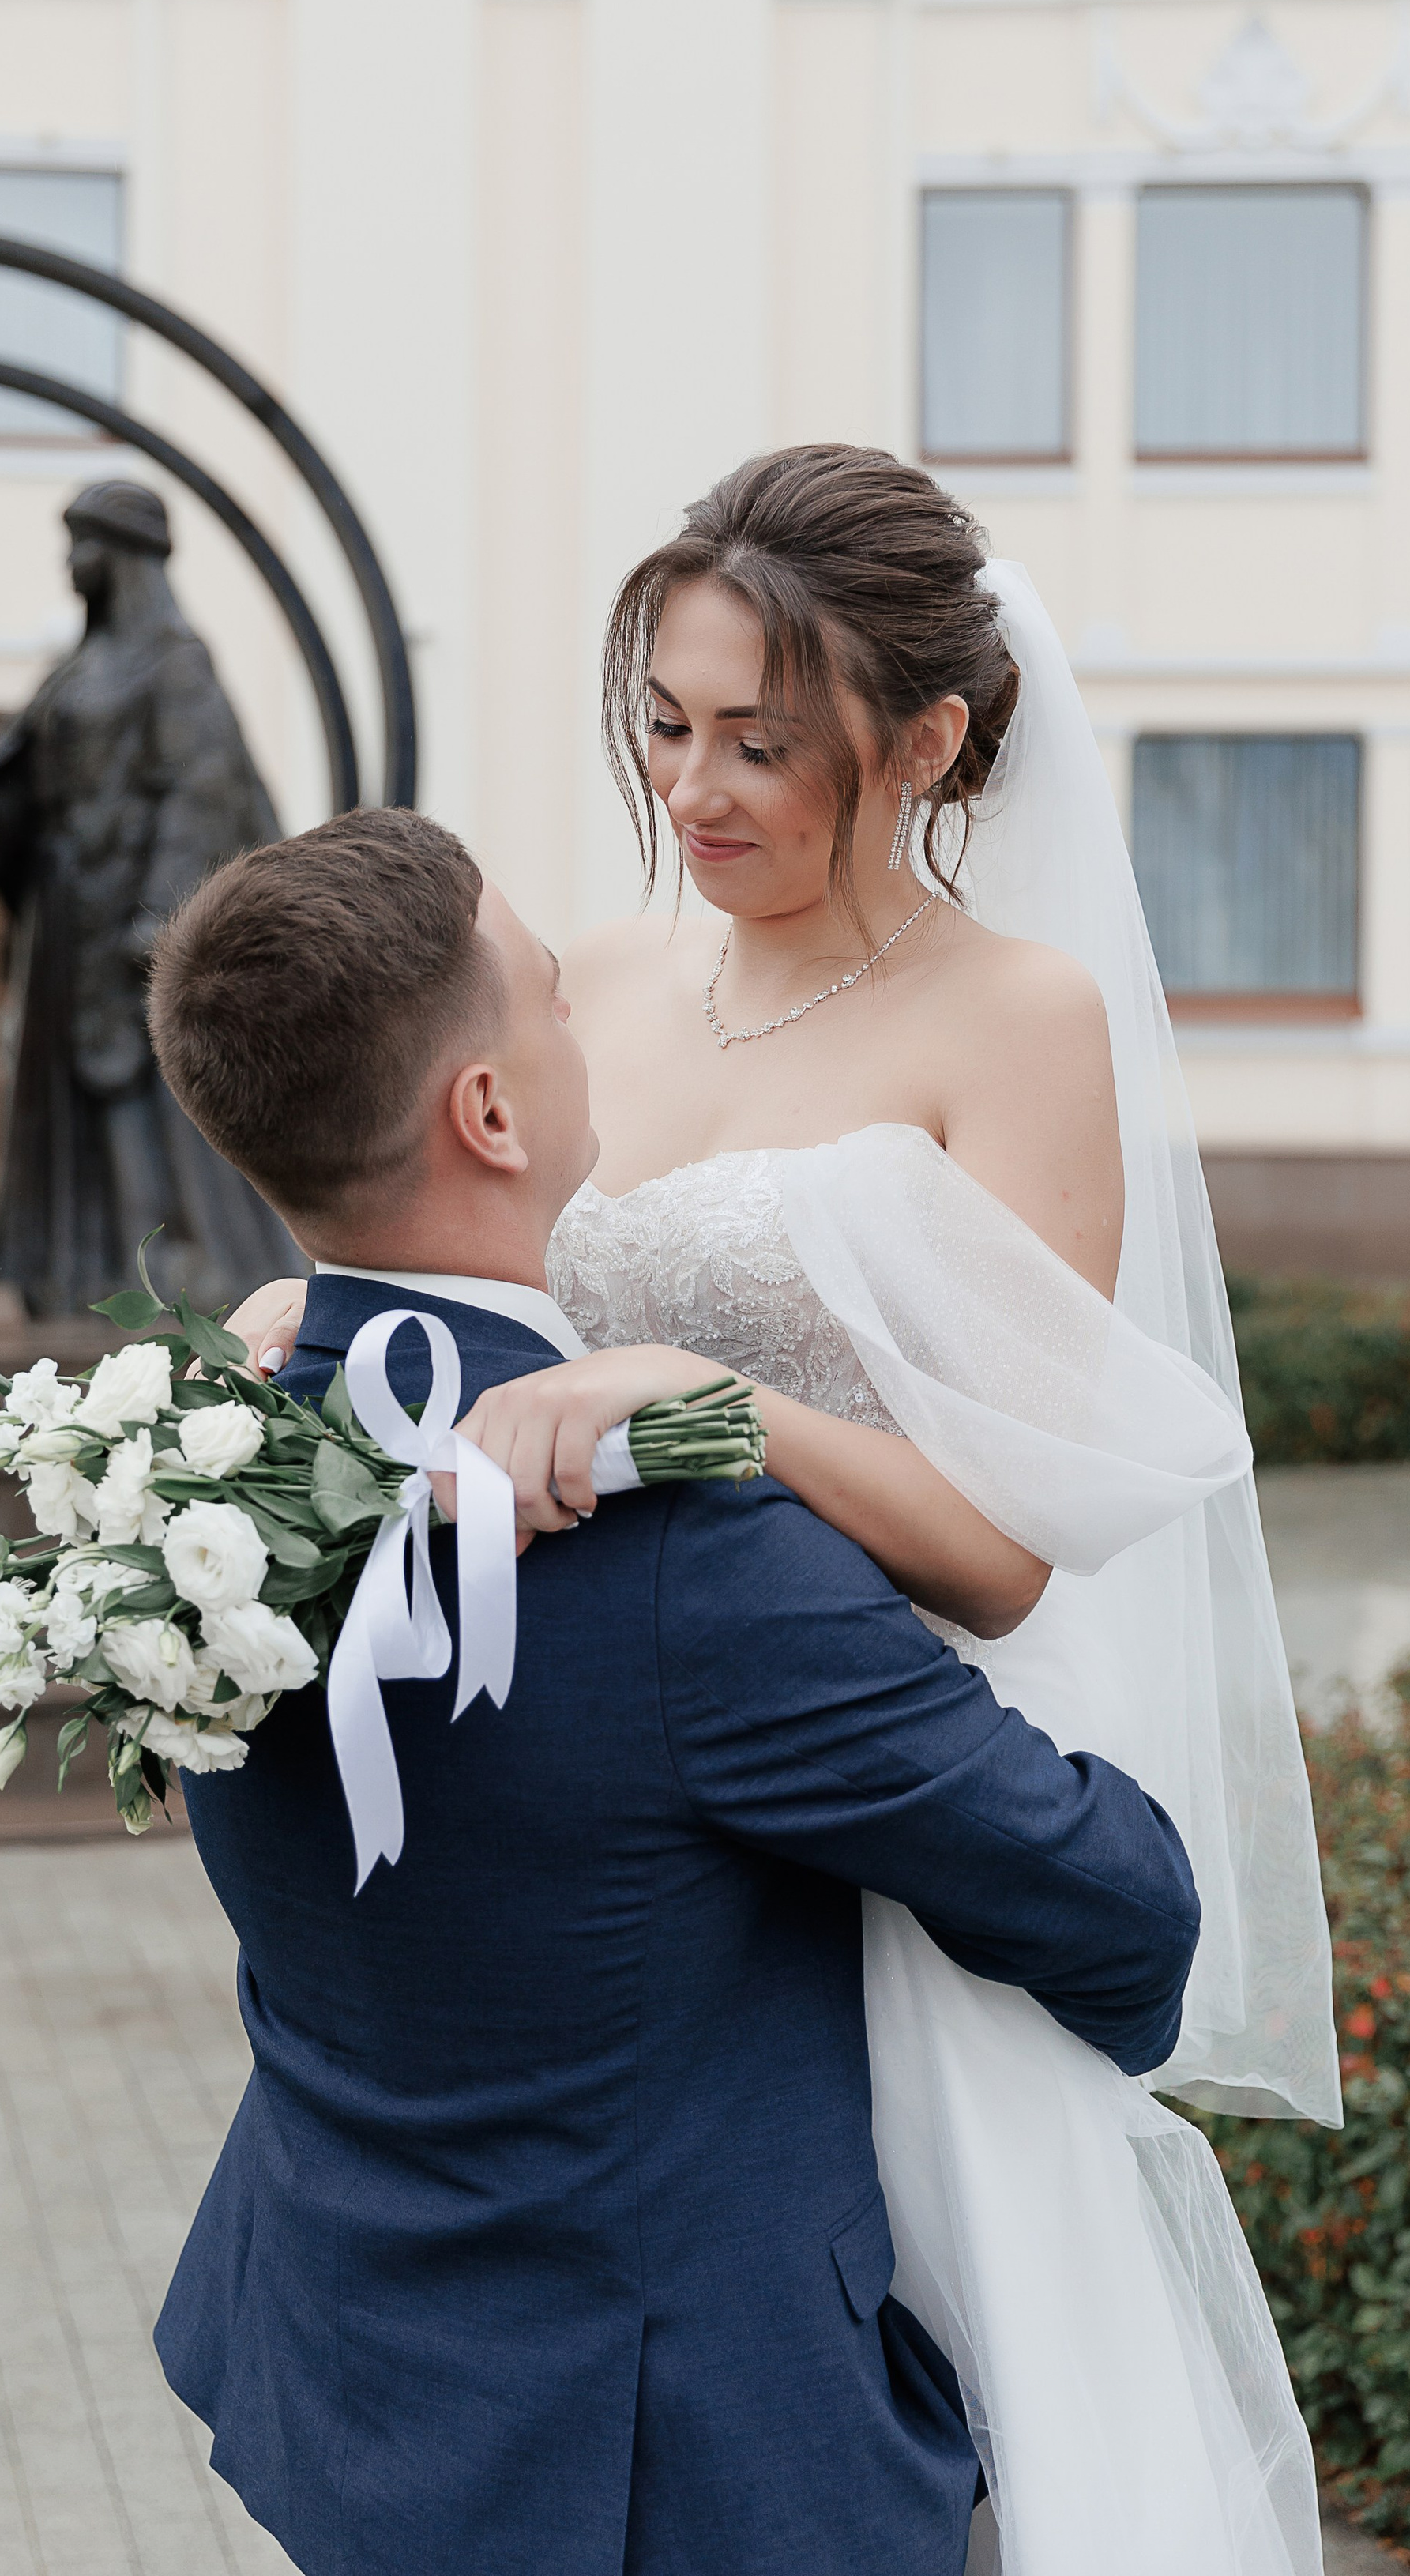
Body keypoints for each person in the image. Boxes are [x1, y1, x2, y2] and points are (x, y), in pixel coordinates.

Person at [231, 450, 1337, 2575]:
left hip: (868, 1805)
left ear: (922, 742)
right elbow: (489, 1297)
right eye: (666, 725)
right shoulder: (614, 982)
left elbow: (1007, 1550)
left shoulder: (1021, 1019)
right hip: (602, 1841)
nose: (697, 787)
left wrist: (715, 1410)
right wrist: (332, 1327)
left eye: (764, 743)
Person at [142, 805, 1206, 2576]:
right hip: (659, 2462)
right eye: (551, 997)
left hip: (335, 2371)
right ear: (487, 1112)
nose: (591, 1025)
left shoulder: (200, 1470)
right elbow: (1121, 1907)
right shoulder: (701, 1567)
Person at [0, 478, 299, 1316]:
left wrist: (161, 915)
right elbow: (18, 776)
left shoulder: (175, 660)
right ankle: (77, 1274)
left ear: (122, 554)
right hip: (67, 923)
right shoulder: (80, 667)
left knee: (144, 1094)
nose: (69, 563)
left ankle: (172, 1274)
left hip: (137, 929)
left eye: (81, 544)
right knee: (77, 1102)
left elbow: (202, 786)